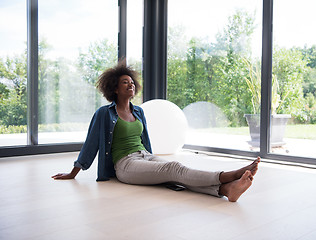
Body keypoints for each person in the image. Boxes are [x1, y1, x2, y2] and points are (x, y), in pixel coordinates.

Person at [52, 63, 260, 202]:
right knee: (174, 168)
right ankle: (228, 175)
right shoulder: (104, 113)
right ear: (114, 88)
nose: (131, 84)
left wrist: (152, 161)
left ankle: (226, 190)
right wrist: (73, 172)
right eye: (125, 82)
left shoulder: (139, 111)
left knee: (176, 174)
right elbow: (91, 144)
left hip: (145, 157)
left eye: (132, 82)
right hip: (125, 165)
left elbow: (145, 141)